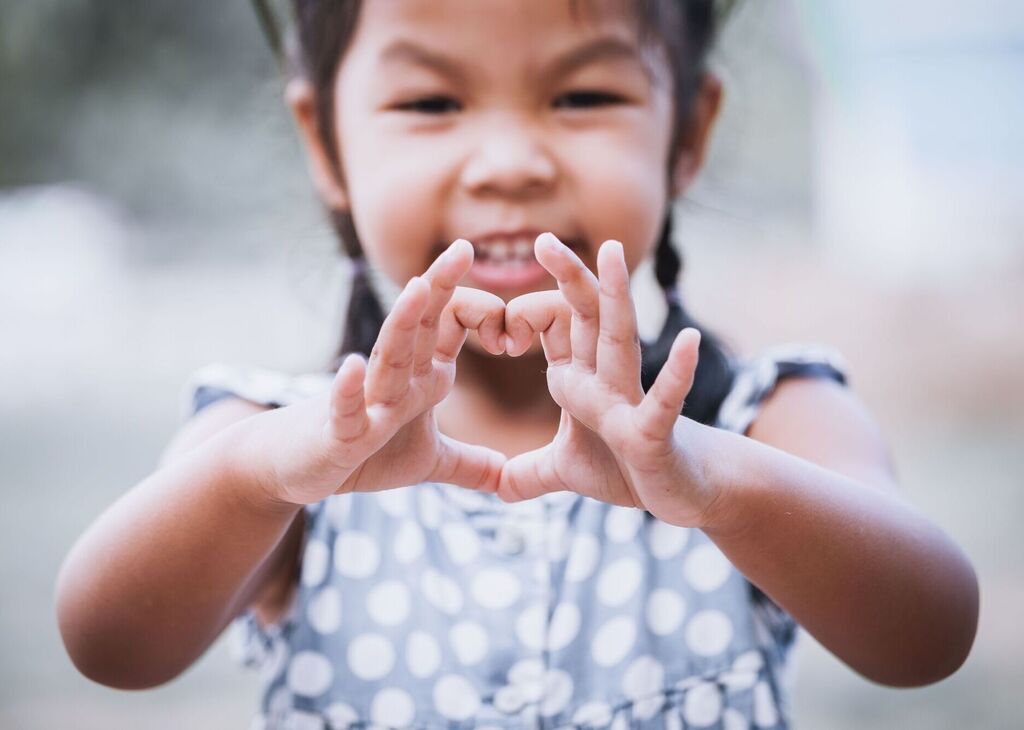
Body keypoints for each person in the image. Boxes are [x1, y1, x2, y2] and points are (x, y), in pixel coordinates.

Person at [55, 1, 980, 728]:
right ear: (324, 142)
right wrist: (261, 477)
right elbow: (109, 645)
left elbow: (928, 635)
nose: (507, 162)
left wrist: (706, 483)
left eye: (582, 97)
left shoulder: (763, 419)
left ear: (688, 133)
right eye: (431, 102)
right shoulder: (277, 448)